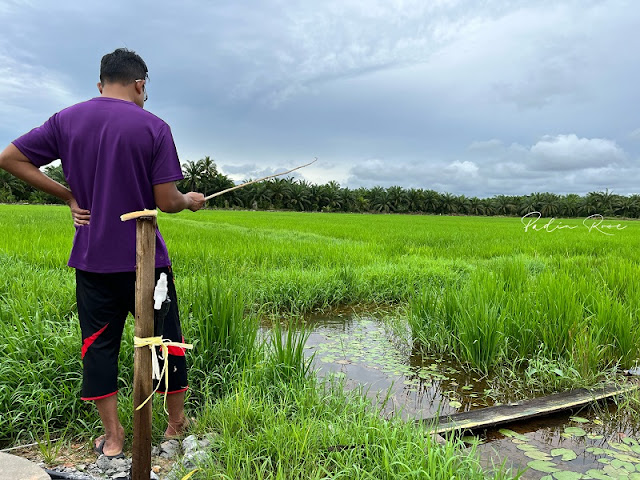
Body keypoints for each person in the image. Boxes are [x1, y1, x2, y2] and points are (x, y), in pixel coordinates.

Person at [0, 48, 205, 458]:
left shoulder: (66, 120)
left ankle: (112, 441)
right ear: (140, 84)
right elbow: (166, 200)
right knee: (167, 342)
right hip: (148, 264)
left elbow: (10, 158)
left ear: (100, 84)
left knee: (98, 345)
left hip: (92, 261)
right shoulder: (154, 126)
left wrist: (68, 195)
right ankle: (173, 426)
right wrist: (189, 200)